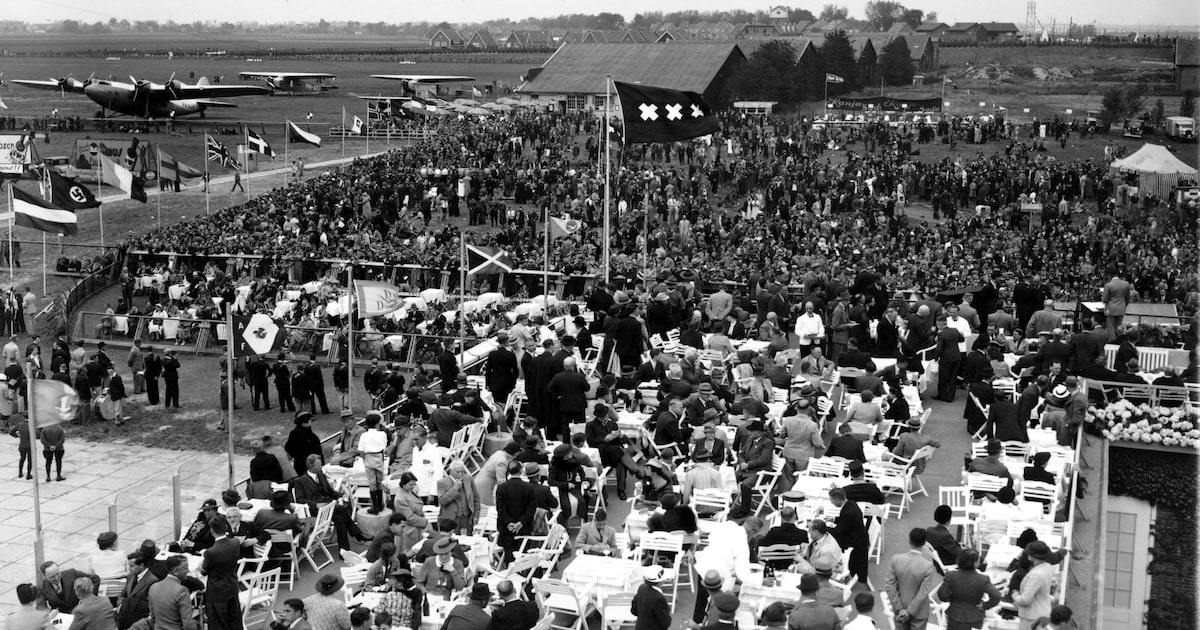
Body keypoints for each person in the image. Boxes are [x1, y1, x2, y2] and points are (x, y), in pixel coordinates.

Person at [292, 454, 372, 551]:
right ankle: (357, 534)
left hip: (329, 508)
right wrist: (316, 505)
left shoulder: (321, 476)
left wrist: (341, 495)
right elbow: (299, 500)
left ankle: (344, 549)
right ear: (311, 466)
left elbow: (331, 492)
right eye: (319, 465)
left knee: (340, 519)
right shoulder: (300, 481)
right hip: (315, 511)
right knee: (341, 509)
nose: (321, 467)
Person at [885, 528, 939, 630]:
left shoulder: (896, 559)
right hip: (919, 612)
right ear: (924, 543)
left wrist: (899, 609)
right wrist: (910, 611)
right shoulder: (927, 566)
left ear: (909, 540)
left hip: (899, 608)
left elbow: (889, 586)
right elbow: (923, 592)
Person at [937, 549, 1000, 630]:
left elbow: (942, 595)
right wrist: (985, 605)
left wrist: (952, 599)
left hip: (954, 613)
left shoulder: (950, 575)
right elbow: (996, 596)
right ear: (975, 563)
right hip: (975, 616)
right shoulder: (983, 579)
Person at [200, 517, 242, 630]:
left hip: (217, 592)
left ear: (212, 531)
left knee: (218, 624)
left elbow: (204, 571)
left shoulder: (211, 552)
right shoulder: (235, 542)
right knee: (235, 621)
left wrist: (201, 564)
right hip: (232, 587)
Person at [1011, 541, 1056, 630]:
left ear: (1031, 556)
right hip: (1044, 611)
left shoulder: (1035, 575)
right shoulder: (1048, 567)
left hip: (1031, 616)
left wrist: (1015, 595)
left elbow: (1025, 600)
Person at [829, 487, 870, 584]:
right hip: (859, 536)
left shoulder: (849, 513)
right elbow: (846, 521)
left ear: (838, 500)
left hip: (855, 542)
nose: (832, 503)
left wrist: (823, 528)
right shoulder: (851, 504)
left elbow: (839, 531)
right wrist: (834, 519)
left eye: (832, 501)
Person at [147, 556, 197, 630]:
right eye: (185, 568)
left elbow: (152, 616)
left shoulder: (153, 587)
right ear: (175, 571)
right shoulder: (182, 590)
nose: (188, 571)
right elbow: (188, 623)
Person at [546, 356, 590, 439]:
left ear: (564, 366)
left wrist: (558, 395)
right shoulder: (579, 376)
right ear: (574, 365)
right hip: (579, 404)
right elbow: (587, 388)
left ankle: (566, 443)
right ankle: (579, 442)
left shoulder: (558, 377)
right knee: (579, 426)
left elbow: (549, 388)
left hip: (565, 404)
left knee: (565, 427)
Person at [117, 551, 159, 630]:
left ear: (141, 565)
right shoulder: (131, 576)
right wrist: (120, 605)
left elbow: (151, 605)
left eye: (132, 566)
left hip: (139, 619)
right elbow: (122, 594)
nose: (129, 568)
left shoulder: (152, 581)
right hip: (125, 615)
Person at [436, 460, 480, 534]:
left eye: (462, 472)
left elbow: (476, 498)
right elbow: (442, 501)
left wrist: (476, 515)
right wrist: (454, 489)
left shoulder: (469, 479)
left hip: (467, 518)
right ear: (451, 471)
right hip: (451, 519)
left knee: (467, 539)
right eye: (457, 472)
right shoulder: (442, 482)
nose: (460, 474)